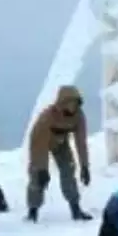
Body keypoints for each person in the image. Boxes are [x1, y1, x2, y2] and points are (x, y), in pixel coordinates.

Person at [25, 85, 93, 222]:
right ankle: (33, 210)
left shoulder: (79, 116)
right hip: (40, 141)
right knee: (37, 176)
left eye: (75, 102)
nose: (72, 106)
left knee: (69, 169)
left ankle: (75, 208)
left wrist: (85, 166)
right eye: (69, 102)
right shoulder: (47, 117)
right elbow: (39, 146)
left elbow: (81, 142)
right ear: (62, 102)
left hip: (61, 143)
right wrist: (42, 168)